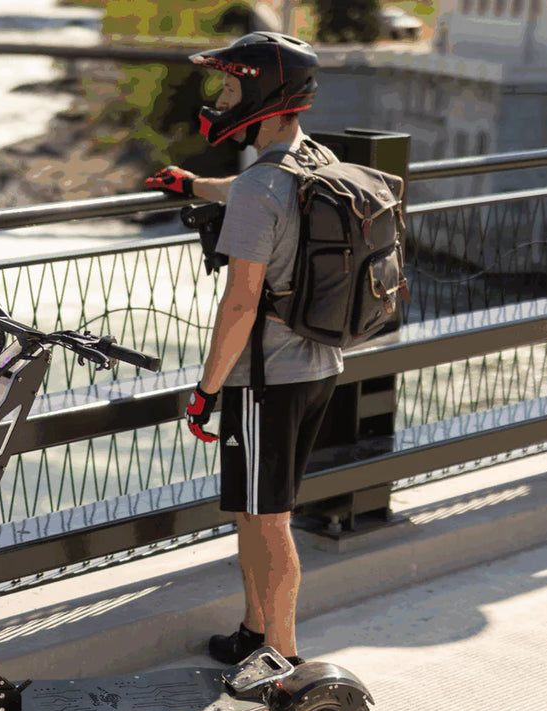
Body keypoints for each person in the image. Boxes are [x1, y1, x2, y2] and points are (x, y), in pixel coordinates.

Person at [145, 32, 342, 667]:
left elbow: (239, 304)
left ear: (262, 93)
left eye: (231, 87)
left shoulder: (261, 188)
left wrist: (206, 389)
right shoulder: (310, 160)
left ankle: (283, 667)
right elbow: (255, 196)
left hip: (266, 377)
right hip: (317, 363)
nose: (222, 98)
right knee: (255, 511)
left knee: (270, 519)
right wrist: (194, 184)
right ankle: (256, 635)